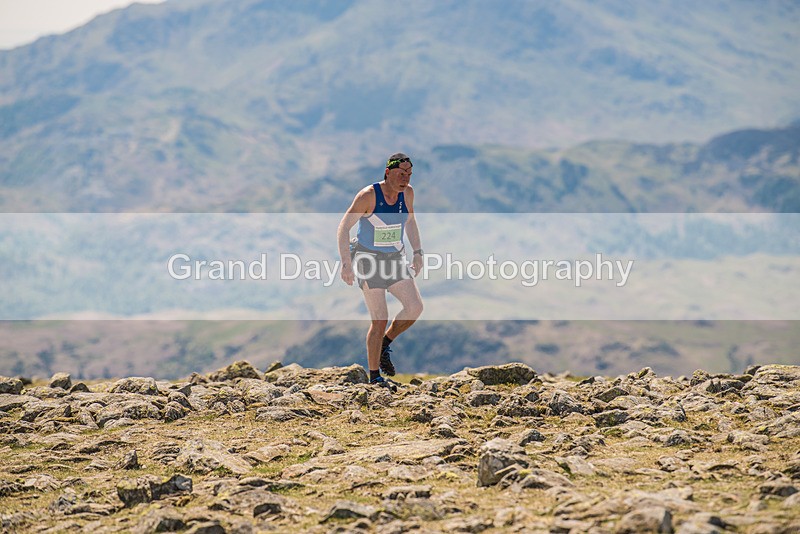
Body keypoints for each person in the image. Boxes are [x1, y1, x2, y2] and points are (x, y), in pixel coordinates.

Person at [337, 153, 424, 390]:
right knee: (379, 318)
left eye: (408, 174)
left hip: (395, 258)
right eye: (400, 173)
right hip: (368, 260)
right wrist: (346, 263)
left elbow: (411, 221)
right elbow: (344, 227)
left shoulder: (408, 193)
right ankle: (374, 377)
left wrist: (417, 252)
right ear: (388, 172)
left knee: (415, 308)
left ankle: (385, 343)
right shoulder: (368, 196)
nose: (405, 178)